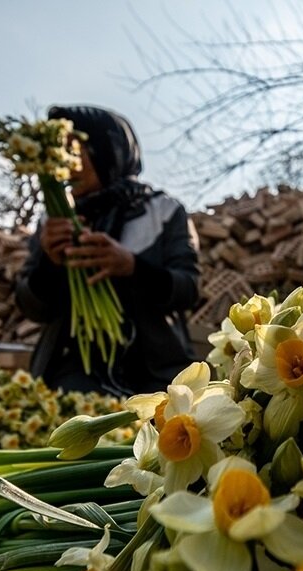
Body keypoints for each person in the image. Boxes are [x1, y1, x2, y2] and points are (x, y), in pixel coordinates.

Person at [15, 105, 200, 396]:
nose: (69, 165)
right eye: (61, 154)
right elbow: (32, 306)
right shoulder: (54, 221)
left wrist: (132, 267)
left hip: (155, 372)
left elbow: (188, 289)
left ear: (108, 151)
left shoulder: (163, 212)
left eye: (75, 150)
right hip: (74, 374)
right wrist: (50, 263)